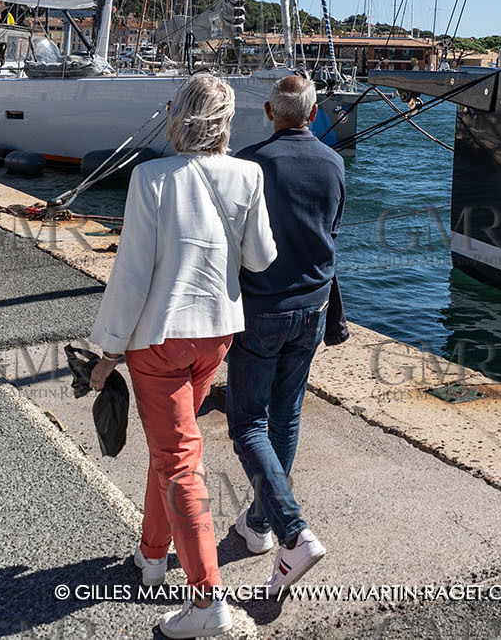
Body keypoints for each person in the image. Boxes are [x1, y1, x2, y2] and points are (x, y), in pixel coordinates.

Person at [88, 73, 277, 638]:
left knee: (177, 460)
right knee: (173, 451)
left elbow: (132, 274)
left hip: (159, 338)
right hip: (216, 333)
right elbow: (261, 258)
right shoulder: (248, 174)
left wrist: (107, 351)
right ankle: (152, 554)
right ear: (226, 120)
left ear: (178, 117)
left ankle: (207, 599)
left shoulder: (151, 177)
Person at [227, 76, 343, 596]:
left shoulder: (249, 164)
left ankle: (293, 531)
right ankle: (259, 523)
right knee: (285, 415)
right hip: (313, 307)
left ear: (270, 112)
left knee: (248, 422)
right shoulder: (334, 163)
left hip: (262, 310)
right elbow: (331, 230)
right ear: (314, 113)